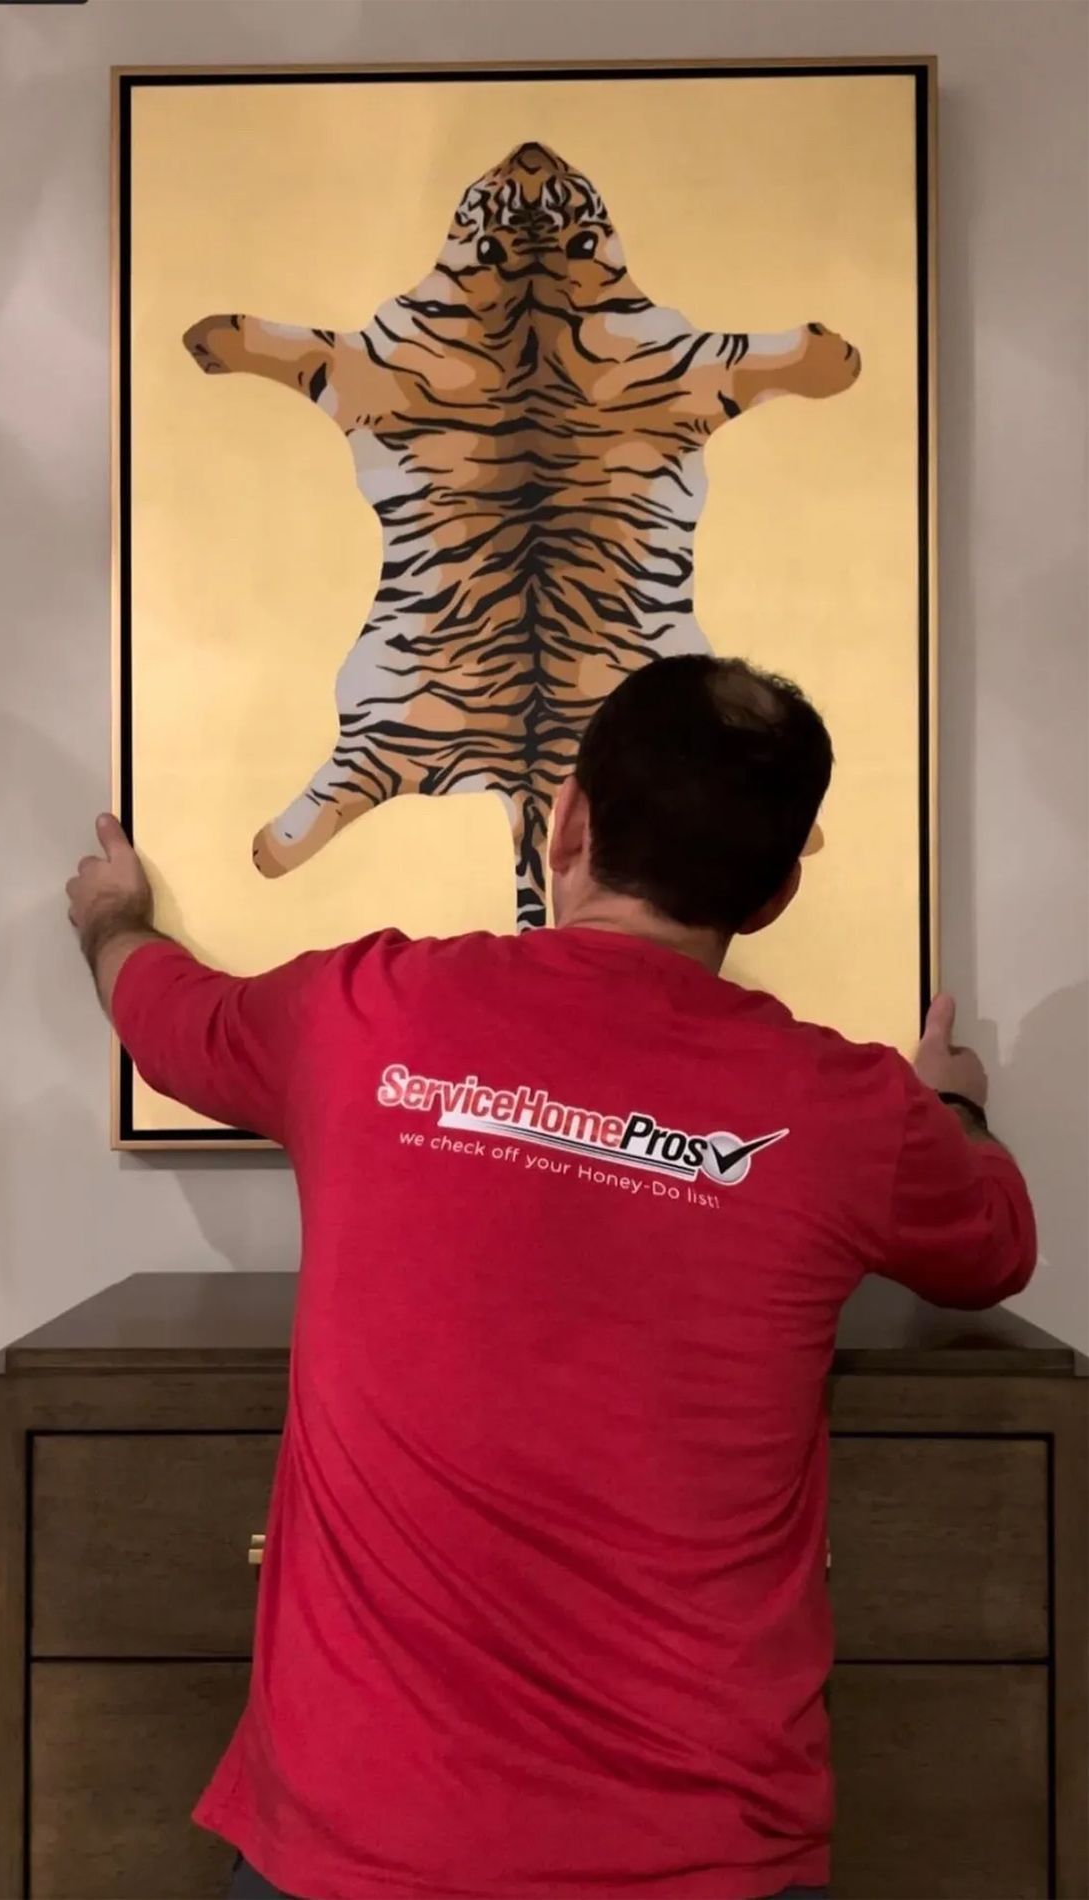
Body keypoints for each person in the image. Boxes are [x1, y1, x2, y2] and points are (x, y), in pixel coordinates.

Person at [66, 655, 1035, 1900]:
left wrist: (111, 913)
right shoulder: (850, 1112)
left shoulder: (370, 1014)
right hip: (700, 1860)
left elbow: (164, 1014)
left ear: (567, 823)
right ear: (781, 889)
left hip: (360, 1852)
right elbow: (994, 1241)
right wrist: (950, 1100)